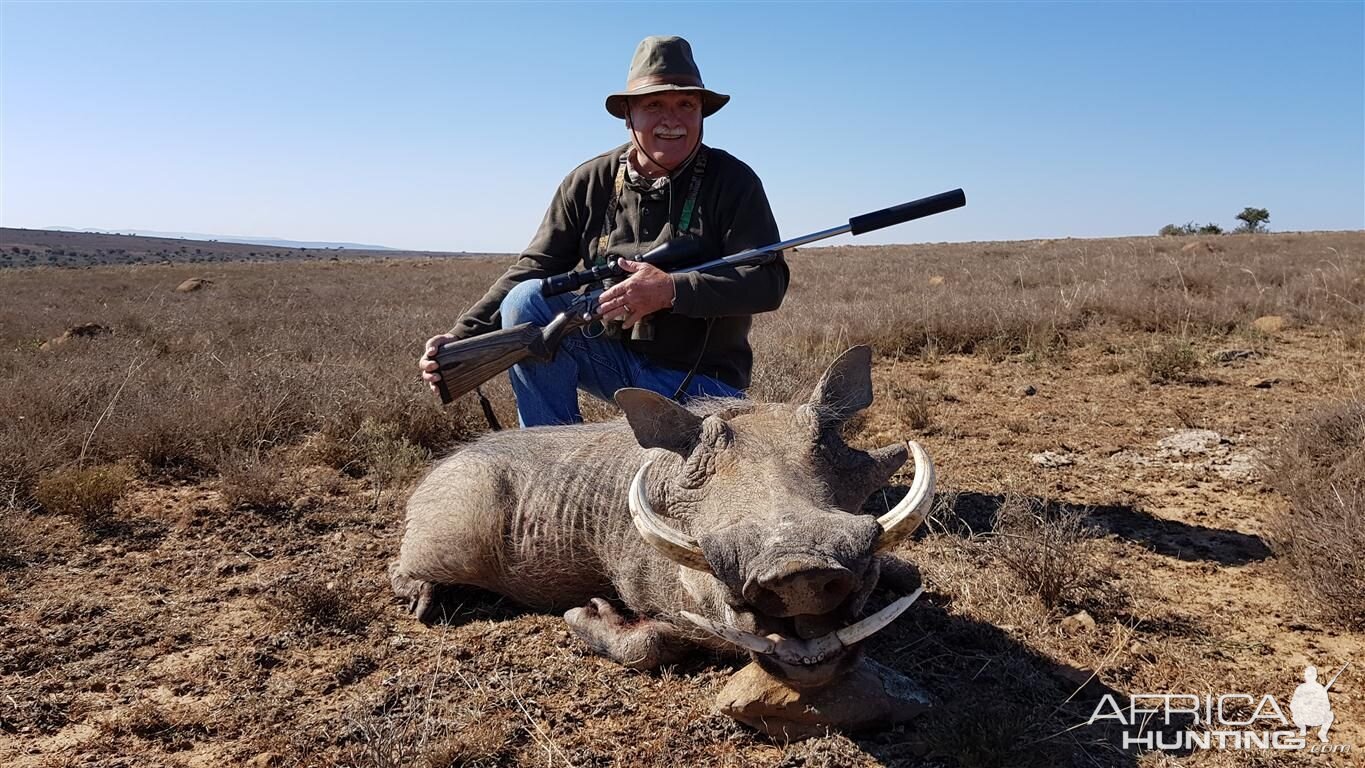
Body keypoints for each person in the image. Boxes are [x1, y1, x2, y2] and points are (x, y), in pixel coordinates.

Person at [420, 35, 788, 427]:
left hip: (705, 386)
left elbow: (767, 281)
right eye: (654, 105)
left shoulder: (734, 181)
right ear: (628, 114)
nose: (672, 119)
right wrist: (461, 338)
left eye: (686, 104)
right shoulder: (588, 181)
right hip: (612, 364)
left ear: (701, 112)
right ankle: (551, 463)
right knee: (525, 301)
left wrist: (671, 291)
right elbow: (534, 268)